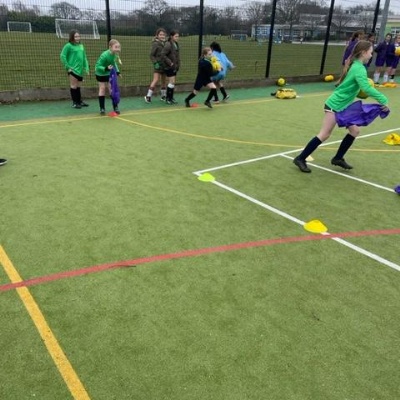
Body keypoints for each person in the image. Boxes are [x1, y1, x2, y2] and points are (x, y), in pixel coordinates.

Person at [293, 40, 389, 173]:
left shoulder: (357, 66)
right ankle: (300, 158)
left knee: (355, 131)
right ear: (363, 53)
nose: (371, 55)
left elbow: (356, 87)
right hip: (335, 105)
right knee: (324, 134)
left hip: (344, 106)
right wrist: (383, 99)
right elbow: (366, 88)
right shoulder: (359, 68)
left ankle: (338, 158)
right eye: (370, 52)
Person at [60, 30, 90, 109]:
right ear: (72, 37)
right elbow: (62, 56)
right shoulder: (68, 46)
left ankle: (79, 101)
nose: (77, 38)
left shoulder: (81, 46)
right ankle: (75, 103)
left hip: (80, 70)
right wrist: (68, 67)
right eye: (75, 36)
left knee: (78, 86)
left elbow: (84, 57)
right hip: (73, 70)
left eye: (78, 36)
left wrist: (86, 67)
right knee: (73, 86)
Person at [95, 39, 122, 115]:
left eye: (119, 47)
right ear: (110, 47)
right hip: (100, 73)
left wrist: (117, 72)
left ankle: (115, 107)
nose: (118, 49)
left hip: (109, 73)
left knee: (112, 89)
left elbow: (113, 63)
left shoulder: (115, 54)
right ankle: (102, 109)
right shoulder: (104, 55)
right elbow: (97, 66)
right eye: (116, 47)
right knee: (102, 89)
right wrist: (106, 68)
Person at [144, 28, 167, 103]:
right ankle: (148, 96)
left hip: (164, 65)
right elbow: (151, 55)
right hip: (158, 65)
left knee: (164, 81)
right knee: (156, 80)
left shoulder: (166, 43)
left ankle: (163, 96)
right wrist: (155, 63)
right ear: (157, 35)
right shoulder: (155, 44)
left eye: (163, 34)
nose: (162, 36)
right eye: (160, 34)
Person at [161, 30, 180, 105]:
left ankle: (171, 97)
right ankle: (168, 98)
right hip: (169, 66)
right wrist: (170, 63)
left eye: (178, 36)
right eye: (176, 36)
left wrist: (177, 64)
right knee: (171, 82)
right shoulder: (168, 44)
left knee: (173, 82)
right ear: (171, 36)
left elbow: (176, 56)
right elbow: (163, 54)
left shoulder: (176, 44)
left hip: (174, 66)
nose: (177, 38)